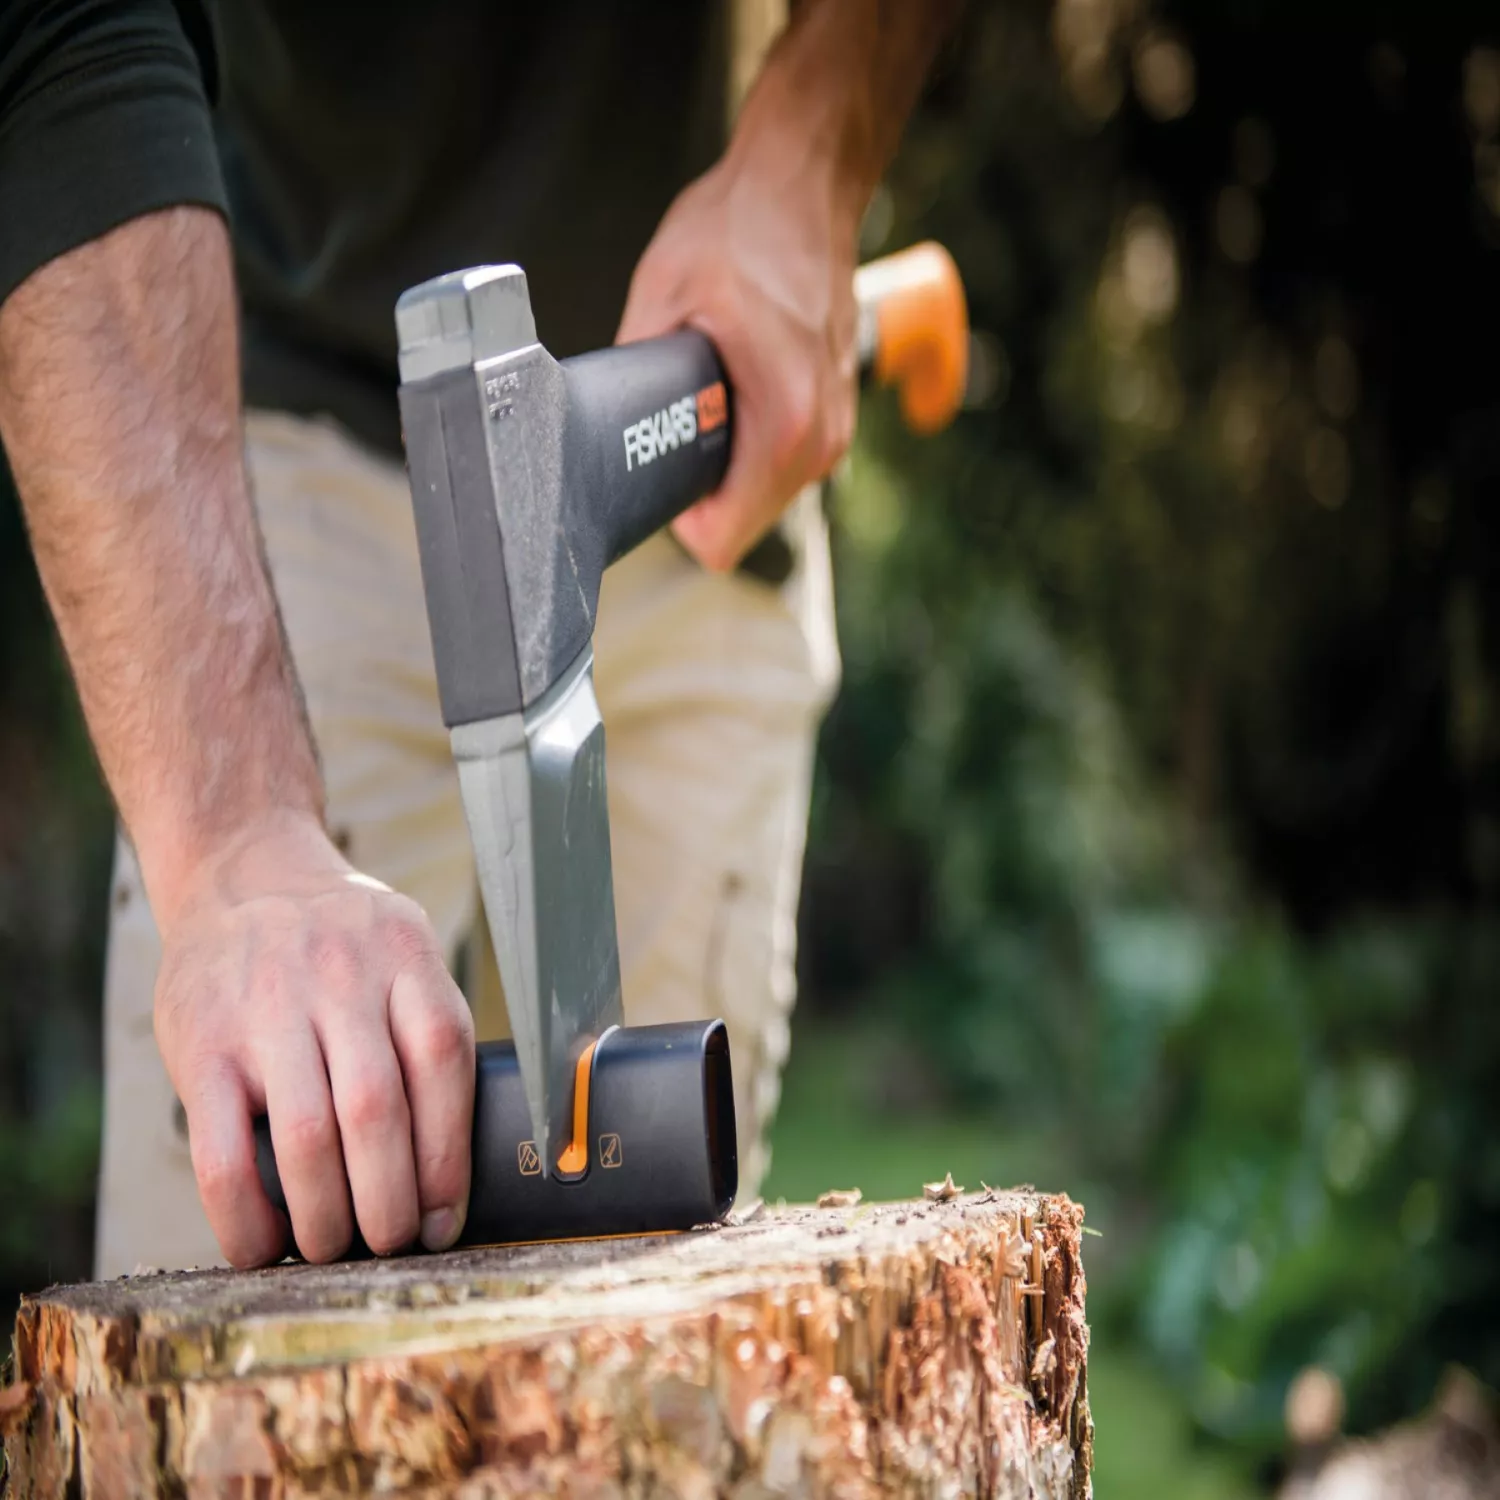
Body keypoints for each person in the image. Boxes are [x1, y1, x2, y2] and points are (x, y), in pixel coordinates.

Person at [0, 0, 955, 1275]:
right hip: (265, 514)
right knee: (222, 1303)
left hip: (708, 503)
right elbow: (57, 36)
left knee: (672, 1338)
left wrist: (813, 154)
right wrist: (232, 837)